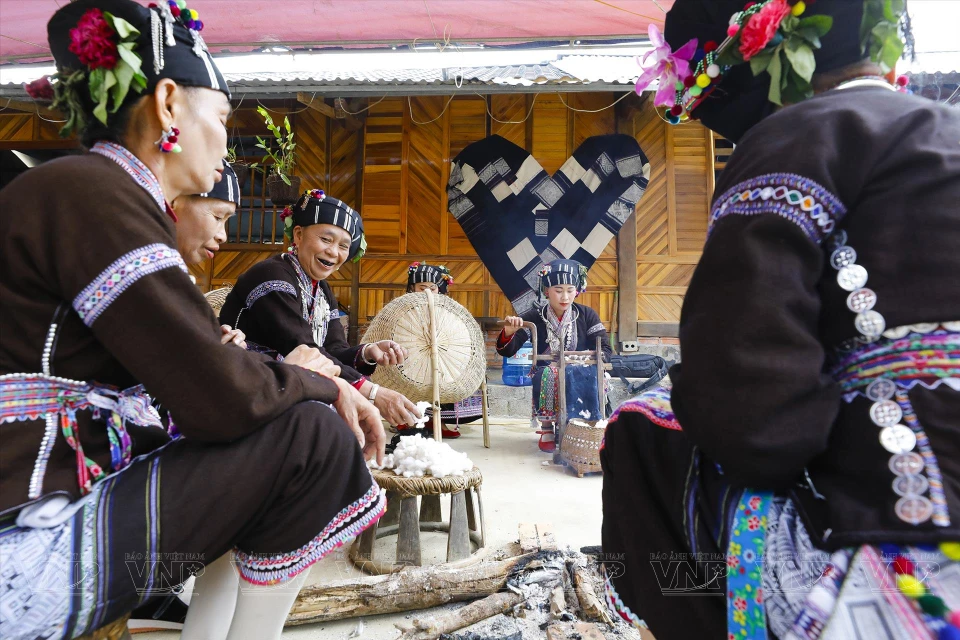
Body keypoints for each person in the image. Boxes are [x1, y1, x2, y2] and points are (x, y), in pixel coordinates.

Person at [0, 2, 385, 639]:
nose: (226, 141)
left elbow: (203, 369)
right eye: (223, 117)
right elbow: (215, 393)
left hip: (51, 497)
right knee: (311, 438)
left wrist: (323, 373)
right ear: (169, 104)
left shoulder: (96, 193)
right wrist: (325, 383)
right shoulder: (93, 193)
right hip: (27, 526)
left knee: (285, 426)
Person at [600, 1, 960, 639]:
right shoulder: (944, 129)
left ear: (774, 64)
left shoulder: (799, 136)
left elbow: (749, 405)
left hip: (898, 529)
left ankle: (717, 609)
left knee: (643, 427)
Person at [219, 188, 423, 428]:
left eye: (344, 246)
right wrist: (372, 393)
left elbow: (333, 350)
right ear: (298, 235)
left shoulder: (323, 291)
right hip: (248, 391)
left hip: (290, 391)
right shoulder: (271, 275)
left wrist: (368, 352)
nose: (333, 252)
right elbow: (300, 347)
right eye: (326, 239)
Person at [497, 259, 611, 452]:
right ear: (547, 290)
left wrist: (581, 361)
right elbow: (507, 350)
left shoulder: (587, 315)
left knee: (591, 375)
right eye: (558, 290)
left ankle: (586, 425)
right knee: (547, 374)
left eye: (570, 289)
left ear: (578, 290)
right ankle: (547, 427)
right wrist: (509, 332)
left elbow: (606, 350)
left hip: (581, 368)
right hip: (547, 369)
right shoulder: (534, 317)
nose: (565, 296)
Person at [403, 262, 478, 439]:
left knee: (451, 369)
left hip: (442, 354)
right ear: (412, 288)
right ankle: (407, 419)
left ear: (439, 290)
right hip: (411, 357)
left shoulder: (447, 309)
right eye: (422, 288)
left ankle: (438, 421)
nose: (428, 292)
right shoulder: (403, 309)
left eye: (432, 288)